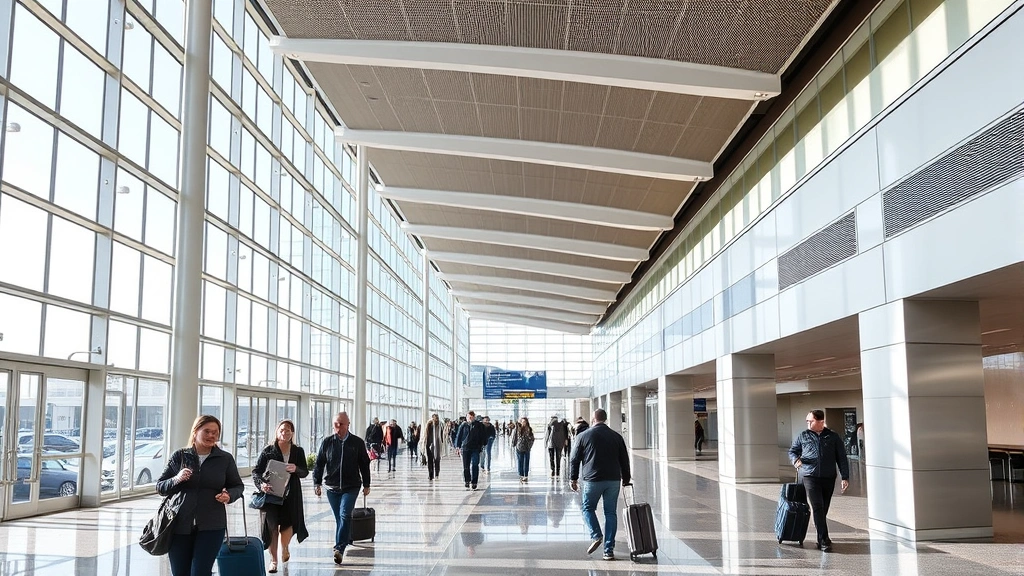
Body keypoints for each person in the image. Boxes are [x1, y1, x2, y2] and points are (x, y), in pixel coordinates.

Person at [156, 414, 244, 576]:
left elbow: (238, 486)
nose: (212, 436)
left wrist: (229, 495)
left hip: (212, 525)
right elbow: (161, 487)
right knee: (180, 572)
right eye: (207, 431)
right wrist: (176, 479)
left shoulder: (224, 459)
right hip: (179, 525)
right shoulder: (180, 456)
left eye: (215, 432)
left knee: (200, 572)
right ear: (195, 431)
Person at [569, 408, 631, 562]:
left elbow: (574, 459)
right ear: (606, 419)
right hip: (613, 480)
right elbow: (624, 459)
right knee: (610, 513)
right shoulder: (616, 436)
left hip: (592, 480)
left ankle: (596, 535)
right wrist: (626, 478)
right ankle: (608, 551)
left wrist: (573, 479)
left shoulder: (583, 436)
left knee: (588, 508)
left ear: (593, 419)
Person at [313, 412, 371, 565]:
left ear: (348, 424)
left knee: (345, 514)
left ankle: (339, 548)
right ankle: (347, 538)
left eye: (341, 424)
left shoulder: (357, 443)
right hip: (331, 487)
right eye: (336, 424)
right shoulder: (327, 442)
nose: (338, 427)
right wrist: (316, 483)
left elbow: (364, 464)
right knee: (339, 518)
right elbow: (319, 463)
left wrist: (367, 484)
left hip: (351, 486)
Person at [789, 410, 850, 553]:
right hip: (809, 476)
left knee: (823, 509)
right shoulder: (803, 436)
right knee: (817, 506)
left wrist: (845, 477)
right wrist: (795, 460)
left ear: (820, 422)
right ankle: (824, 540)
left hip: (828, 478)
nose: (808, 423)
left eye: (810, 421)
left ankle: (820, 535)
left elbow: (841, 458)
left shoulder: (833, 437)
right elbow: (793, 451)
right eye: (807, 421)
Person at [252, 419, 309, 573]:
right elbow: (256, 471)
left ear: (292, 433)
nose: (285, 432)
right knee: (271, 527)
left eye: (289, 430)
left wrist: (296, 468)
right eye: (282, 430)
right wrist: (261, 484)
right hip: (271, 493)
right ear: (277, 431)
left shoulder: (298, 451)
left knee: (288, 524)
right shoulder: (268, 450)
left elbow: (304, 472)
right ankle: (273, 561)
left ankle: (285, 547)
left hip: (291, 494)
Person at [455, 411, 485, 490]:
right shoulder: (463, 425)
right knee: (466, 466)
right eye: (469, 417)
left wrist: (482, 445)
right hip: (465, 448)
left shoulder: (479, 425)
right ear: (467, 417)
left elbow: (483, 436)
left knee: (475, 464)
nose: (470, 419)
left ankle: (474, 482)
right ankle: (467, 480)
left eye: (472, 417)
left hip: (475, 448)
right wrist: (457, 446)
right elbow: (459, 436)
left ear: (474, 417)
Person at [511, 417, 534, 482]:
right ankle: (521, 475)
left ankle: (526, 475)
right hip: (519, 447)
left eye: (524, 421)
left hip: (527, 448)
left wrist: (530, 445)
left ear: (526, 422)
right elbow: (515, 437)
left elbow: (532, 438)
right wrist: (513, 444)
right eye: (522, 421)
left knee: (526, 462)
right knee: (520, 461)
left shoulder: (529, 429)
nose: (523, 423)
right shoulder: (518, 429)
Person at [424, 413, 444, 480]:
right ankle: (432, 474)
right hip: (430, 444)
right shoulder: (429, 424)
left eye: (436, 418)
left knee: (435, 460)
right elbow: (426, 434)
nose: (435, 419)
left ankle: (434, 474)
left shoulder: (440, 425)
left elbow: (442, 435)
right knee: (432, 460)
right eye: (434, 418)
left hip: (435, 444)